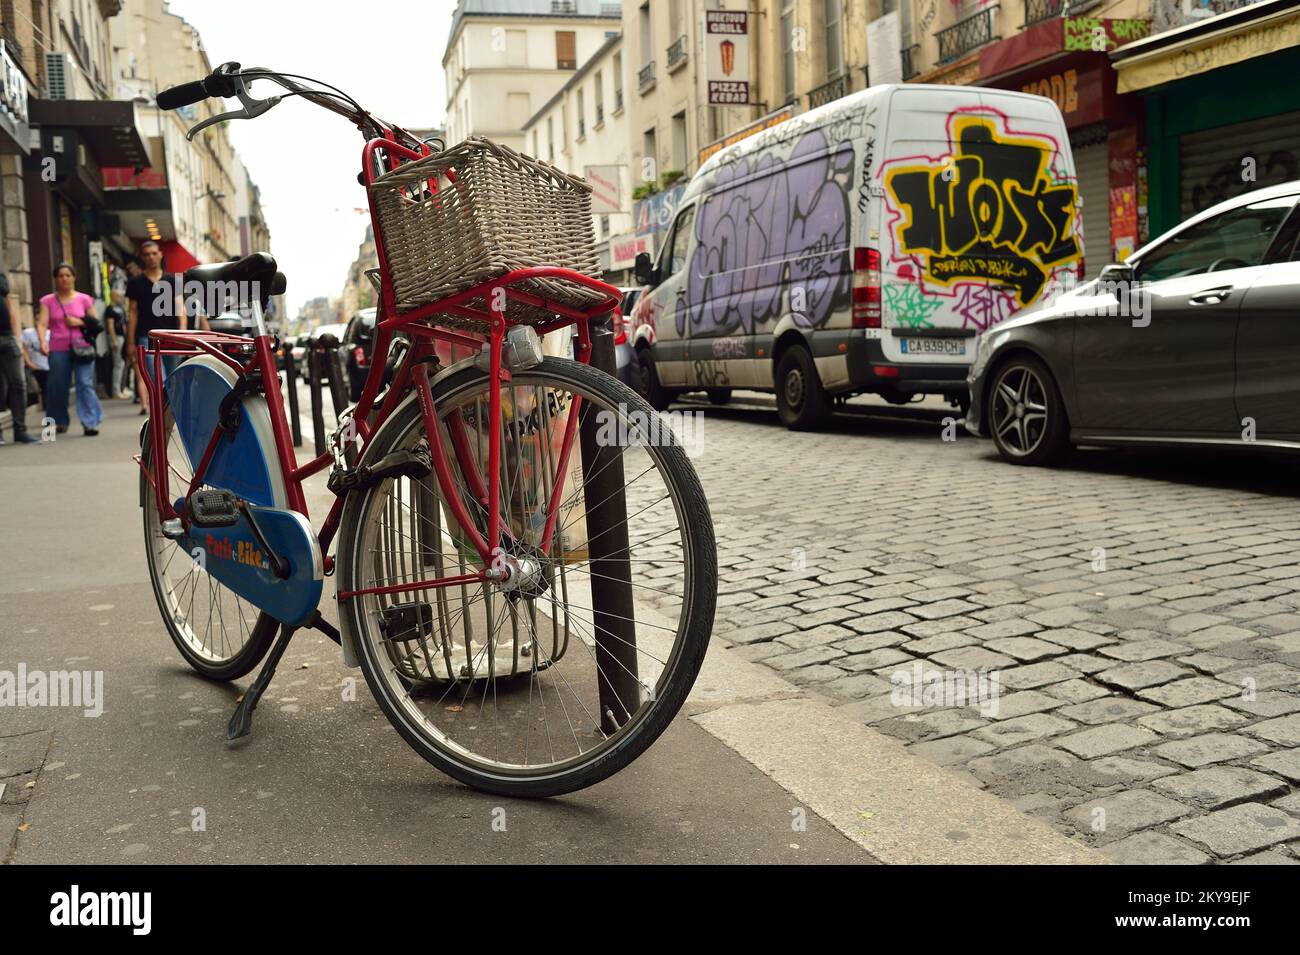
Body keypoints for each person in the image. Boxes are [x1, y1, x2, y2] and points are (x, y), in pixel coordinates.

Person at [37, 263, 103, 436]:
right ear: (55, 279)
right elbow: (42, 323)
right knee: (57, 385)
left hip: (83, 347)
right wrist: (42, 342)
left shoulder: (84, 299)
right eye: (60, 276)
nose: (64, 279)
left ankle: (90, 422)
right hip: (58, 347)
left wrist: (80, 322)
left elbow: (96, 323)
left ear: (74, 277)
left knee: (84, 384)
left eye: (68, 275)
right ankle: (58, 421)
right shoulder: (47, 301)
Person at [126, 241, 187, 417]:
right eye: (147, 254)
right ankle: (163, 416)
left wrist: (182, 332)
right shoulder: (135, 283)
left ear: (160, 255)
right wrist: (130, 342)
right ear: (142, 258)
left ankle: (168, 415)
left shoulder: (172, 281)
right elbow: (132, 313)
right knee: (158, 379)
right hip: (146, 336)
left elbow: (180, 307)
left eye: (154, 253)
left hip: (171, 336)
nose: (151, 257)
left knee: (173, 378)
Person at [0, 271, 37, 444]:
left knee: (19, 383)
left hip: (8, 337)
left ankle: (20, 430)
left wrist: (17, 336)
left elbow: (9, 304)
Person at [104, 289, 129, 398]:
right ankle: (116, 390)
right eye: (118, 296)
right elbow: (110, 325)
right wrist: (113, 339)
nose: (120, 297)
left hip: (122, 337)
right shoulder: (110, 309)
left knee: (122, 364)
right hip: (116, 337)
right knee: (118, 363)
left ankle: (122, 388)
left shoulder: (121, 308)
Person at [20, 321, 49, 411]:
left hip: (50, 365)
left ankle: (50, 412)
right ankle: (48, 411)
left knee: (49, 389)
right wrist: (29, 363)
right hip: (37, 367)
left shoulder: (50, 333)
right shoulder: (28, 333)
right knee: (44, 388)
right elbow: (24, 348)